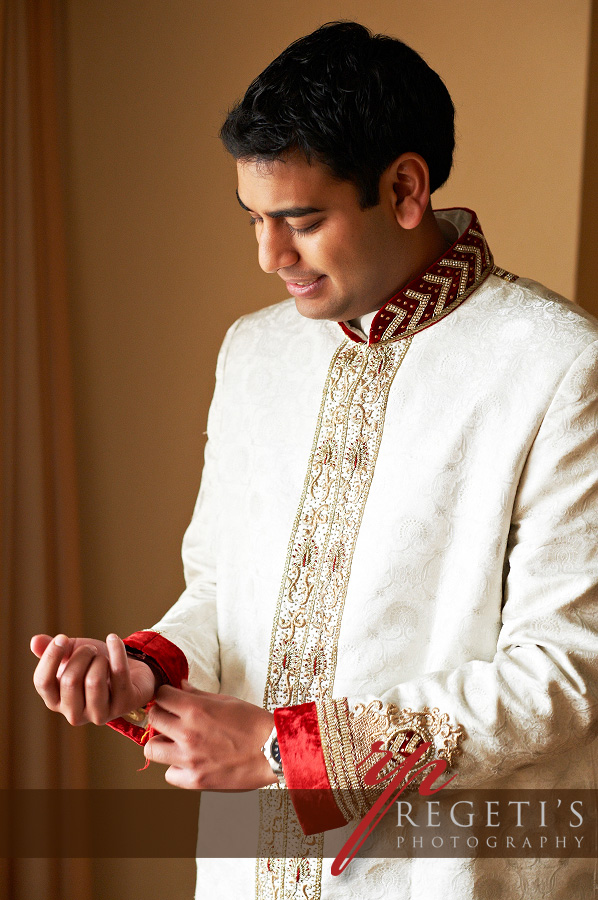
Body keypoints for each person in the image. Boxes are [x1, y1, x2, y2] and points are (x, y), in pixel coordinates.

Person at [31, 21, 598, 899]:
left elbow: (564, 676)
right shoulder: (254, 353)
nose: (270, 258)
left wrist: (275, 750)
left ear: (405, 187)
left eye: (302, 221)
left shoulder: (558, 366)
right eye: (255, 220)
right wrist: (145, 670)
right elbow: (222, 591)